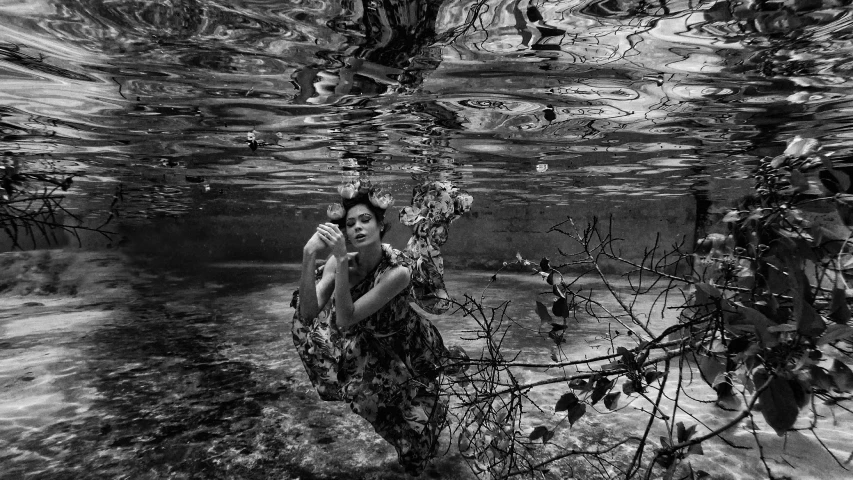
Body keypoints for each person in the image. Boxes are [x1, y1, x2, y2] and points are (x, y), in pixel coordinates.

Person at [291, 180, 468, 475]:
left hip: (409, 346)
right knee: (388, 416)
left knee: (418, 435)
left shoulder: (397, 271)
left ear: (380, 224)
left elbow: (346, 318)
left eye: (365, 219)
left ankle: (432, 419)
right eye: (350, 223)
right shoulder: (340, 263)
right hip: (371, 348)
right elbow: (308, 312)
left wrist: (338, 261)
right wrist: (309, 255)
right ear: (343, 231)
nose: (358, 227)